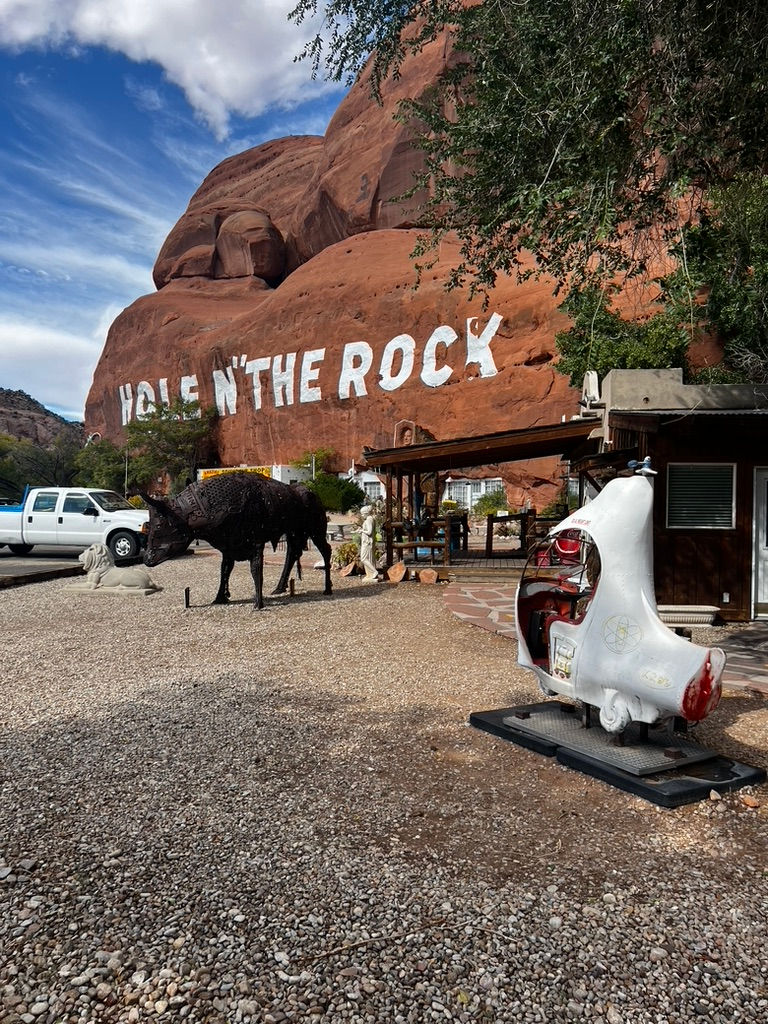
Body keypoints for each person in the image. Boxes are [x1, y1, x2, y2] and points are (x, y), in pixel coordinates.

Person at [359, 505, 379, 582]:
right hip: (368, 542)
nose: (361, 515)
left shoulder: (368, 520)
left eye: (362, 514)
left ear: (366, 513)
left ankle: (374, 571)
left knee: (363, 558)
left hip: (367, 543)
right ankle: (371, 574)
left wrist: (362, 531)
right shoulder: (371, 519)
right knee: (370, 559)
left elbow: (369, 532)